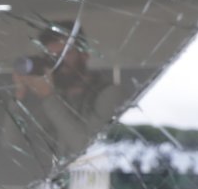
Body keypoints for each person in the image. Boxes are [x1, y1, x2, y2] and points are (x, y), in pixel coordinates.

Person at [10, 22, 125, 159]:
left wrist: (48, 97)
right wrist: (19, 97)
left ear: (84, 54)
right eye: (51, 57)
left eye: (65, 53)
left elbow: (87, 149)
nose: (59, 62)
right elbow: (13, 143)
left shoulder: (109, 94)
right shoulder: (58, 99)